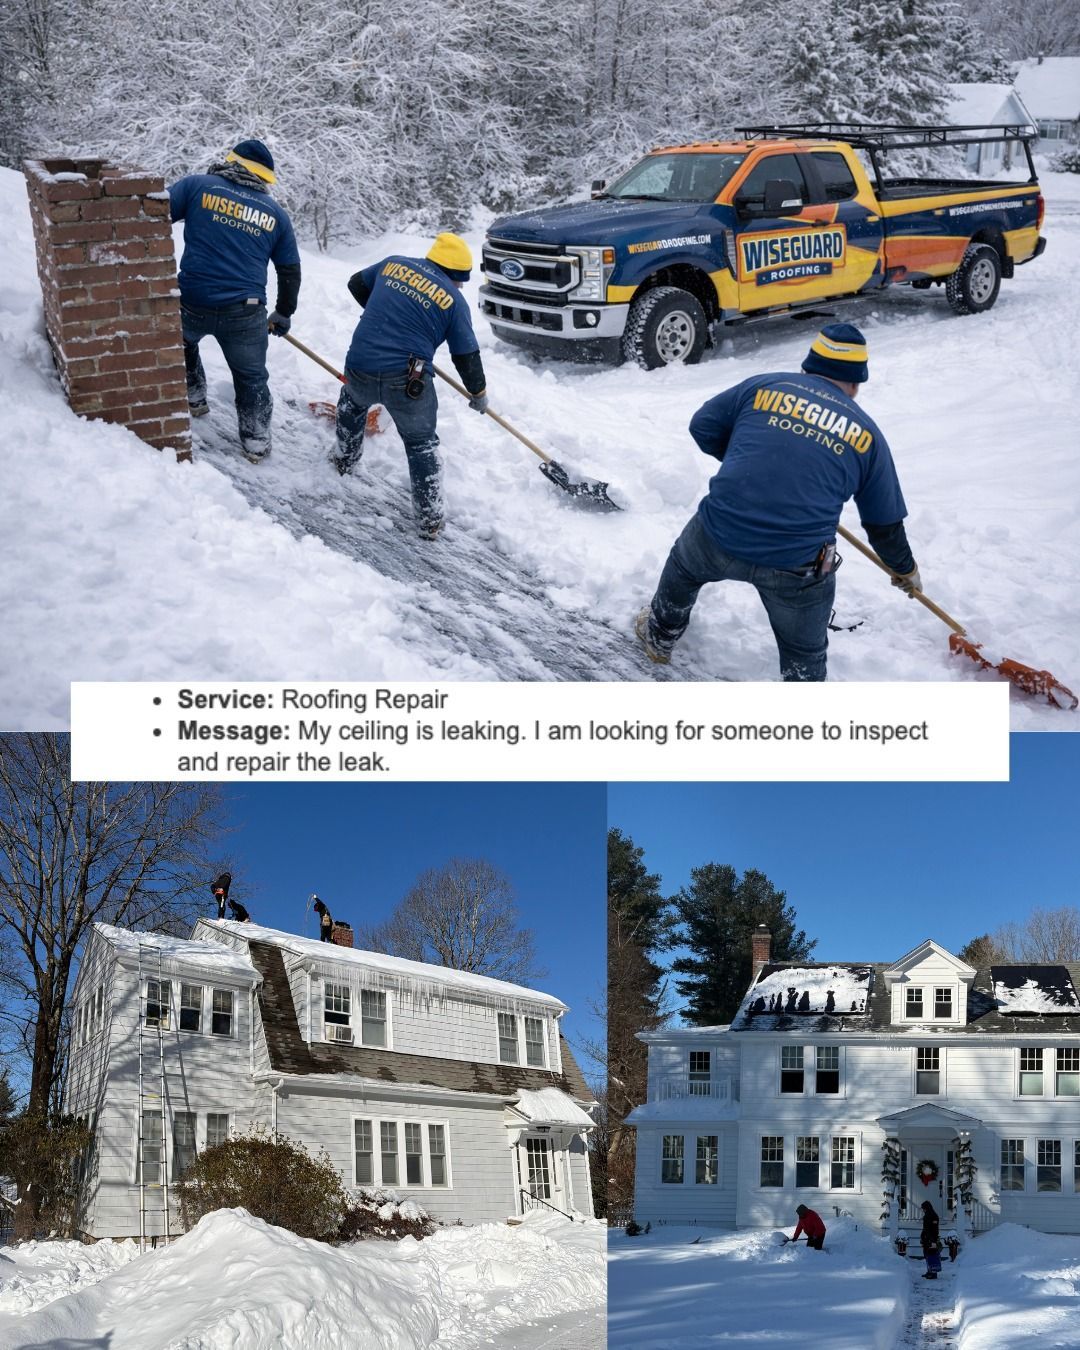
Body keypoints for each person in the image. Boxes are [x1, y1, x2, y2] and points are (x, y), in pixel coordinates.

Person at [635, 324, 921, 681]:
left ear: (809, 367)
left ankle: (660, 635)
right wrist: (904, 569)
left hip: (720, 534)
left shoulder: (764, 386)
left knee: (684, 568)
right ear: (855, 383)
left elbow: (703, 426)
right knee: (805, 653)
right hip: (797, 564)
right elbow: (884, 525)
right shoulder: (868, 434)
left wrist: (753, 467)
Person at [333, 233, 488, 540]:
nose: (459, 287)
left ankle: (343, 459)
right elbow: (466, 355)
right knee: (420, 444)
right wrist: (478, 393)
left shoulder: (392, 264)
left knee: (352, 405)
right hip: (408, 378)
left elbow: (356, 284)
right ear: (455, 275)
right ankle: (429, 519)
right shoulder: (454, 301)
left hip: (360, 361)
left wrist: (388, 314)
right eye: (461, 281)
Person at [168, 139, 301, 462]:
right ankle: (255, 441)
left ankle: (194, 397)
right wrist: (283, 312)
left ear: (230, 163)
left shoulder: (196, 186)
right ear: (264, 178)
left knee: (182, 345)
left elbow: (148, 220)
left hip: (191, 302)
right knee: (251, 377)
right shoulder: (275, 214)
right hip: (245, 312)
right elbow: (289, 269)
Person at [921, 1200, 943, 1279]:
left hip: (932, 1239)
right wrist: (922, 1237)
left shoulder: (934, 1216)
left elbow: (934, 1230)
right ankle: (929, 1271)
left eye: (923, 1208)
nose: (923, 1210)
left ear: (927, 1208)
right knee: (927, 1255)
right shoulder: (926, 1215)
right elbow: (925, 1229)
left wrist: (933, 1240)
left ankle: (933, 1273)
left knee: (932, 1255)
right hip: (926, 1239)